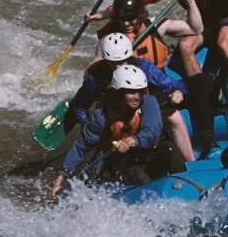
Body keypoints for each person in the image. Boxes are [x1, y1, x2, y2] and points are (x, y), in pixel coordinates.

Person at [50, 65, 184, 197]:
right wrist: (62, 176)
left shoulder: (149, 102)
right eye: (131, 92)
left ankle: (186, 186)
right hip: (124, 161)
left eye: (140, 91)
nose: (137, 96)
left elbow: (152, 133)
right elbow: (82, 145)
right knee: (136, 173)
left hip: (149, 154)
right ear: (119, 93)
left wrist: (132, 141)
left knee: (170, 149)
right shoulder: (102, 115)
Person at [64, 32, 196, 162]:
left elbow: (175, 84)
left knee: (173, 117)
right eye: (113, 63)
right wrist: (86, 125)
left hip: (138, 112)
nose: (117, 67)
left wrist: (178, 91)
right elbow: (80, 106)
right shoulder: (96, 76)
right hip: (112, 118)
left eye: (121, 61)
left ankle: (189, 162)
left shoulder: (142, 67)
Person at [86, 0, 204, 67]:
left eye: (131, 18)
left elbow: (195, 29)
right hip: (127, 90)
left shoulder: (154, 26)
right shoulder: (109, 38)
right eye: (122, 19)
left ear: (141, 15)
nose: (126, 24)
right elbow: (95, 64)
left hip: (156, 81)